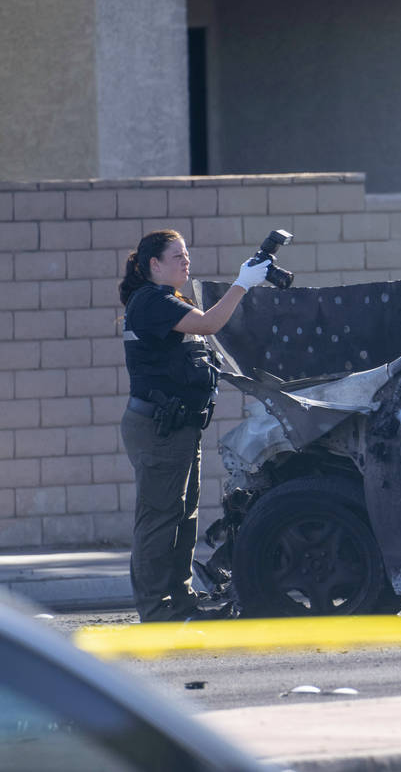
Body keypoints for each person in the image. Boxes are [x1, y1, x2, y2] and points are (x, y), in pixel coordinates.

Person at [118, 229, 270, 622]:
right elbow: (208, 325)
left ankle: (182, 604)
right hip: (158, 428)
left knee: (183, 518)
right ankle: (156, 612)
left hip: (181, 428)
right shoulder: (152, 301)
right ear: (154, 264)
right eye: (177, 256)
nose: (186, 262)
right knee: (159, 520)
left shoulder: (170, 301)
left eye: (187, 255)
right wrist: (241, 285)